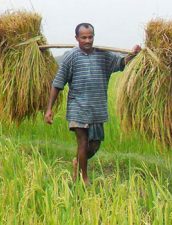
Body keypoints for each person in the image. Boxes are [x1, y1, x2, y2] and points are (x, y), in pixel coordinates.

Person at [44, 23, 141, 184]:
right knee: (82, 142)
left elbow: (120, 64)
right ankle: (84, 178)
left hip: (97, 109)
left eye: (90, 37)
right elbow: (57, 83)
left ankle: (78, 162)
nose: (88, 40)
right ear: (77, 38)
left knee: (94, 145)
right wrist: (49, 109)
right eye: (84, 37)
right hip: (78, 108)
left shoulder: (103, 55)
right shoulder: (71, 57)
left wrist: (133, 54)